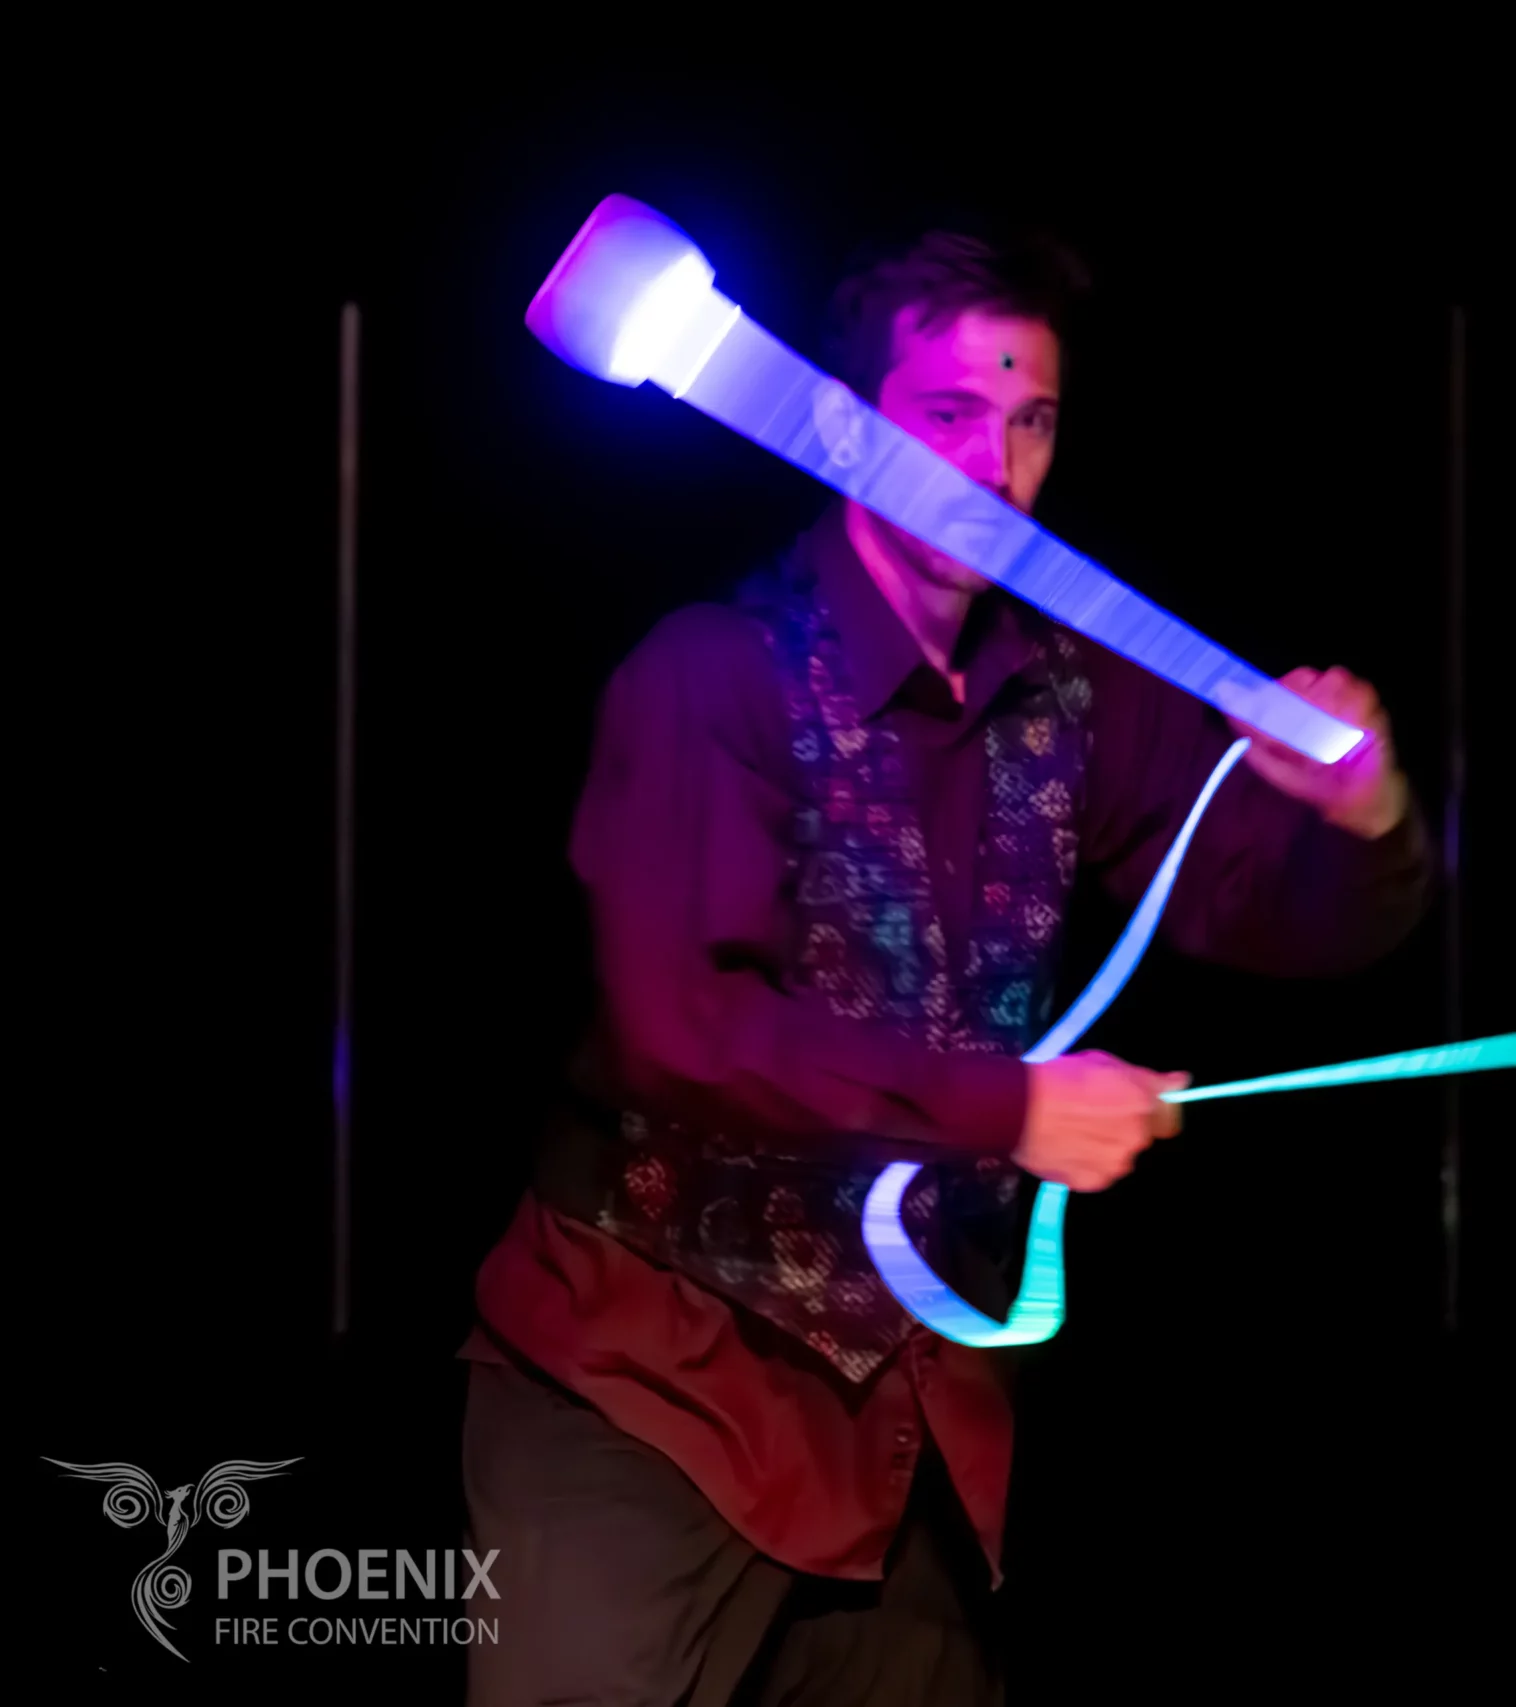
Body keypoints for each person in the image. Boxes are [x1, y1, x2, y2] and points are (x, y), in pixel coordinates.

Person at [456, 225, 1435, 1706]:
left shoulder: (1074, 692)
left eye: (1031, 420)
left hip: (909, 1440)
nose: (994, 465)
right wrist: (1017, 1111)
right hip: (645, 1400)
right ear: (848, 428)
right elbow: (690, 1030)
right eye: (951, 414)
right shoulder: (712, 672)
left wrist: (1363, 816)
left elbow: (1281, 913)